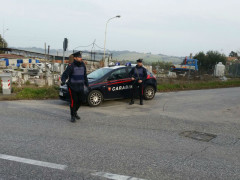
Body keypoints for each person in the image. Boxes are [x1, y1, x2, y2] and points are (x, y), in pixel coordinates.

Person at [61, 51, 89, 122]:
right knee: (74, 101)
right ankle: (72, 116)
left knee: (81, 100)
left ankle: (75, 111)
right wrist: (63, 81)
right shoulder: (71, 66)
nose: (81, 58)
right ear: (75, 58)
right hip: (72, 87)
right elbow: (65, 74)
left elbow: (85, 75)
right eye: (79, 57)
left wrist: (87, 84)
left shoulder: (83, 65)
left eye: (81, 57)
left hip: (80, 86)